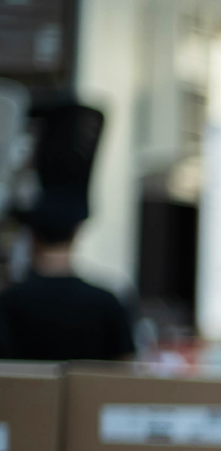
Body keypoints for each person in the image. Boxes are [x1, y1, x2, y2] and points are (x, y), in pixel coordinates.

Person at [0, 103, 135, 362]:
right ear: (79, 228)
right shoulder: (107, 304)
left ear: (31, 232)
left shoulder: (9, 304)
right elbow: (125, 386)